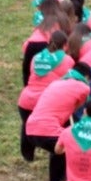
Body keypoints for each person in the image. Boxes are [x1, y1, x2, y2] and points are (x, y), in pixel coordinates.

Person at [24, 63, 91, 181]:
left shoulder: (55, 83)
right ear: (86, 77)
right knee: (72, 147)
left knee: (61, 148)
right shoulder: (84, 88)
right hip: (47, 129)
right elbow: (79, 112)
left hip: (30, 129)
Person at [18, 32, 73, 161]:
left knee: (27, 126)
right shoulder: (67, 60)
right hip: (46, 103)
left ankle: (28, 156)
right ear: (65, 45)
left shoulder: (36, 58)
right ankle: (58, 164)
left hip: (26, 101)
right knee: (57, 135)